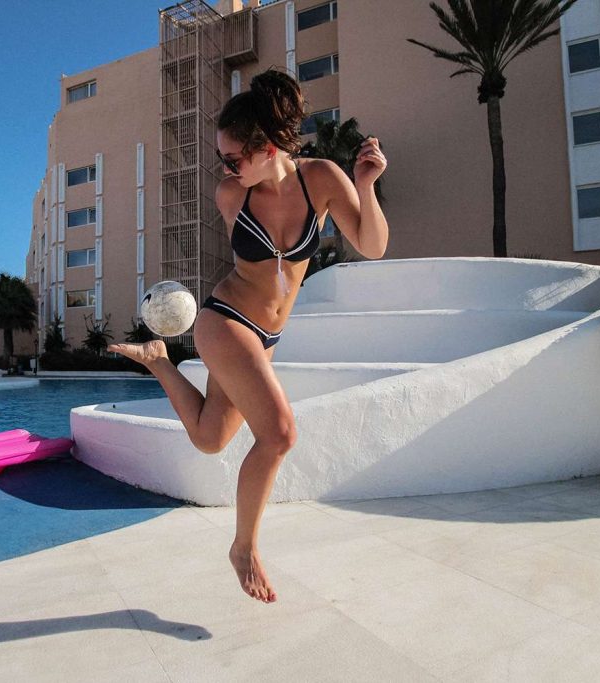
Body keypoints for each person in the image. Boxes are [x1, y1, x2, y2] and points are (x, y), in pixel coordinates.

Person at [108, 69, 388, 603]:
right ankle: (244, 548)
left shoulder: (322, 178)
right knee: (279, 434)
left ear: (268, 148)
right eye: (223, 159)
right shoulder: (231, 194)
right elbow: (253, 257)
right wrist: (236, 174)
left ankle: (160, 362)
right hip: (226, 320)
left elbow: (373, 245)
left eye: (234, 158)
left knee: (211, 438)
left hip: (267, 336)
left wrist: (366, 186)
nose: (227, 169)